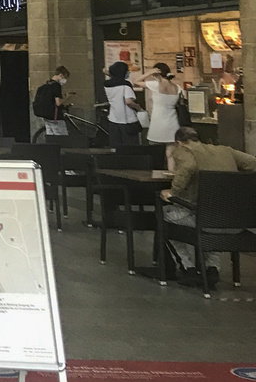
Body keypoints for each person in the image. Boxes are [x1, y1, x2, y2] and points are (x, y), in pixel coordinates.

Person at [160, 126, 256, 288]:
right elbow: (253, 163)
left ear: (179, 142)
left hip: (202, 220)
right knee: (211, 216)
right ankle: (212, 268)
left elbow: (188, 167)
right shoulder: (226, 150)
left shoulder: (184, 150)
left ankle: (187, 267)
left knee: (165, 214)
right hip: (235, 222)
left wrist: (173, 191)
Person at [103, 61, 142, 146]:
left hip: (113, 119)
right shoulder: (126, 85)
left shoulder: (107, 85)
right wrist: (138, 107)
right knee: (130, 148)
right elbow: (128, 101)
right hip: (128, 121)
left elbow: (115, 79)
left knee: (116, 147)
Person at [142, 63, 181, 146]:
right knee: (171, 155)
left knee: (156, 153)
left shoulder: (155, 85)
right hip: (173, 124)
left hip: (157, 124)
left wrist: (149, 72)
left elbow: (135, 81)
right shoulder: (177, 87)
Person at [32, 66, 70, 141]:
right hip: (55, 117)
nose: (65, 80)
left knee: (50, 137)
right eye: (65, 77)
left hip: (46, 116)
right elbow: (58, 103)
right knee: (62, 138)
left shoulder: (47, 84)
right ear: (61, 75)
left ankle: (51, 151)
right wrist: (67, 97)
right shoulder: (56, 86)